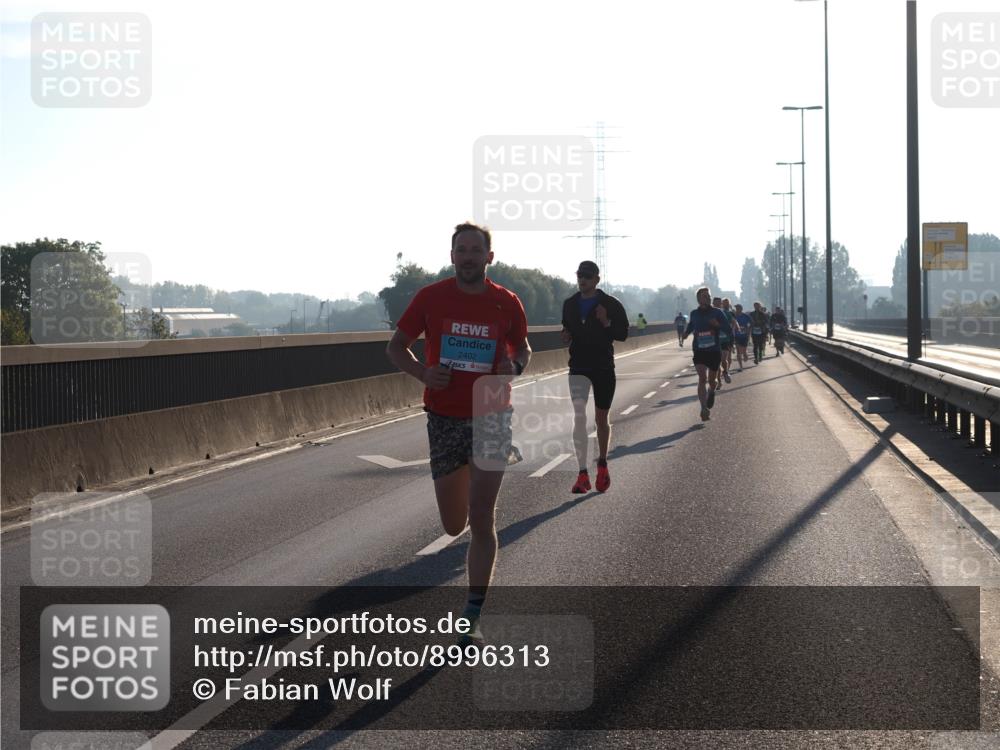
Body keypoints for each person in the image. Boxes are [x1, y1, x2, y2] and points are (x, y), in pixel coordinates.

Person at [386, 222, 531, 644]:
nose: (467, 256)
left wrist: (515, 366)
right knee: (454, 526)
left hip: (491, 414)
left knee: (483, 517)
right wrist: (424, 373)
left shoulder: (507, 303)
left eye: (475, 250)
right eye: (461, 250)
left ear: (490, 256)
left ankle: (471, 614)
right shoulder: (431, 298)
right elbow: (396, 346)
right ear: (452, 256)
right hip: (444, 418)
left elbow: (522, 347)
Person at [561, 260, 629, 493]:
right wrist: (567, 334)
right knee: (579, 417)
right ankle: (582, 474)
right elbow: (567, 327)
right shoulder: (570, 304)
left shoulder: (610, 303)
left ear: (597, 280)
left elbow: (623, 334)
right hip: (578, 366)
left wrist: (606, 321)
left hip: (602, 367)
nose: (583, 280)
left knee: (601, 419)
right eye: (580, 275)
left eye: (588, 276)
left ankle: (602, 464)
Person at [681, 287, 729, 421]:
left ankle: (712, 391)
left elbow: (728, 328)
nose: (707, 298)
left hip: (714, 350)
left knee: (712, 381)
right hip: (699, 350)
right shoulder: (694, 313)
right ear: (698, 299)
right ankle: (703, 408)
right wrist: (685, 333)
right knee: (702, 378)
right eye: (704, 296)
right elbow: (691, 326)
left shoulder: (717, 313)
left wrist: (717, 325)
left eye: (708, 296)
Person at [733, 303, 752, 371]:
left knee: (743, 352)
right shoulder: (734, 316)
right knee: (738, 352)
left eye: (738, 308)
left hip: (744, 336)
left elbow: (750, 324)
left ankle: (745, 354)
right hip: (737, 336)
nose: (737, 309)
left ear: (741, 309)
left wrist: (748, 330)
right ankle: (740, 367)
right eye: (736, 308)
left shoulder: (746, 316)